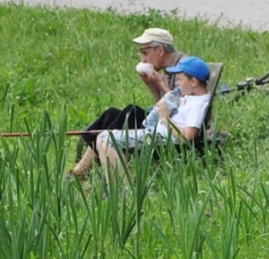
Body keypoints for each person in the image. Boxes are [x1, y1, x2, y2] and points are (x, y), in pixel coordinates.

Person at [70, 28, 186, 178]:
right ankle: (82, 167)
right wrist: (151, 84)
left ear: (160, 50)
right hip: (164, 121)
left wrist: (160, 83)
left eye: (145, 53)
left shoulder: (184, 69)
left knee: (130, 113)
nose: (143, 59)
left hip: (174, 129)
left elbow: (181, 108)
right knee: (111, 114)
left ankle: (81, 170)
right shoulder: (169, 68)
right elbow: (163, 104)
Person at [96, 56, 211, 186]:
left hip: (162, 138)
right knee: (102, 139)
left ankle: (128, 189)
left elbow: (187, 137)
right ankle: (115, 187)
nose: (177, 83)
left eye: (179, 79)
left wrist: (164, 118)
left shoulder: (198, 104)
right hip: (155, 132)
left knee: (107, 140)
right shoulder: (190, 96)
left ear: (193, 82)